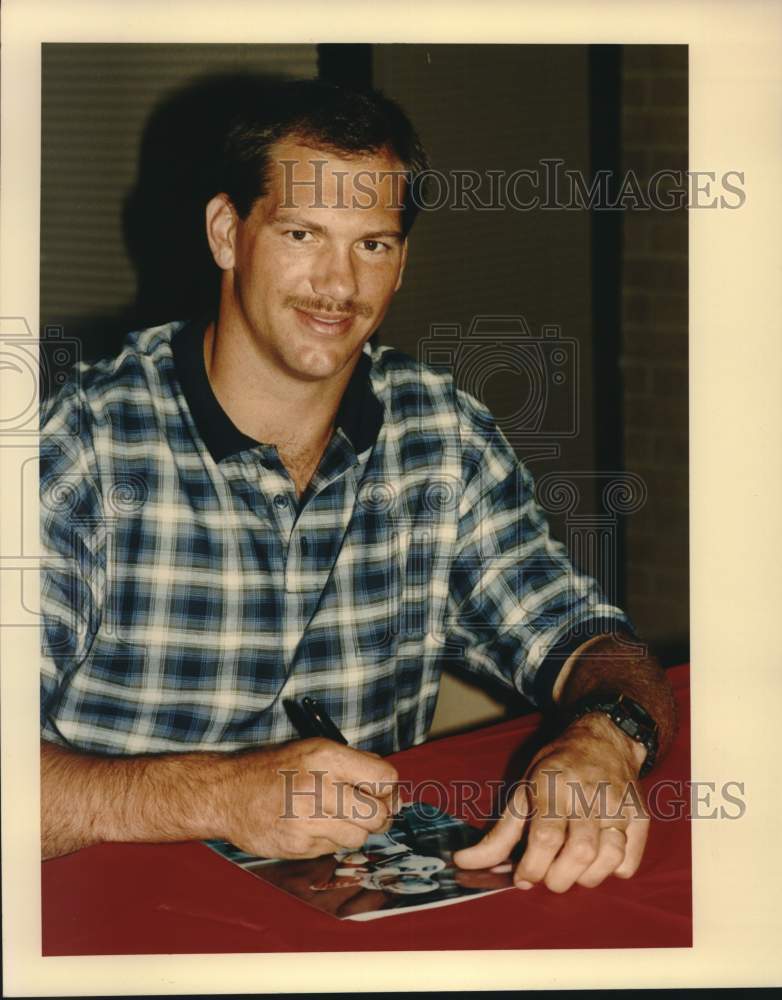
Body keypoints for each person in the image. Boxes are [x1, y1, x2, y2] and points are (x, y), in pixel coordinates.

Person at [40, 78, 677, 894]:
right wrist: (217, 795)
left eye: (371, 243)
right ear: (227, 233)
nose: (337, 285)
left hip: (348, 921)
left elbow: (593, 645)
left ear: (402, 262)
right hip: (114, 921)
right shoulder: (78, 448)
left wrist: (603, 735)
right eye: (303, 233)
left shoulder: (438, 437)